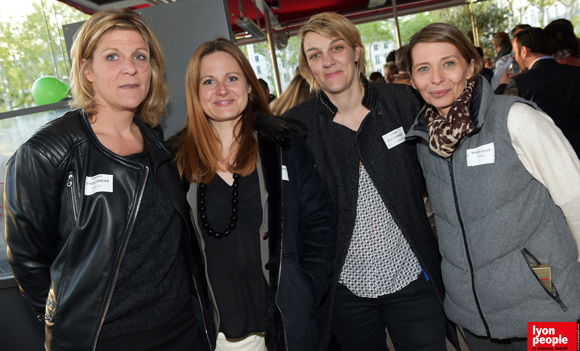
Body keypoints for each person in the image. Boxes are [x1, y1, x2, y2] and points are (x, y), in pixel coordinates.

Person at [4, 8, 215, 351]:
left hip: (181, 329)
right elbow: (28, 261)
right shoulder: (46, 153)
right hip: (105, 341)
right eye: (112, 56)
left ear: (152, 68)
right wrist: (68, 324)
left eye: (139, 56)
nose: (130, 67)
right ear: (87, 70)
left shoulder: (155, 140)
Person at [283, 12, 459, 351]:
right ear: (308, 67)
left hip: (411, 277)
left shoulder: (402, 102)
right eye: (315, 55)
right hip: (346, 289)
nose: (328, 61)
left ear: (357, 51)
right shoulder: (297, 127)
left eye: (336, 48)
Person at [405, 22, 580, 351]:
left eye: (449, 63)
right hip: (474, 318)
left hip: (545, 307)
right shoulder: (423, 141)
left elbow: (575, 197)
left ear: (470, 66)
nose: (437, 78)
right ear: (412, 80)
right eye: (423, 68)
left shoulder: (515, 119)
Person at [168, 38, 336, 351]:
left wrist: (305, 290)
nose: (222, 90)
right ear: (195, 92)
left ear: (248, 85)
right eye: (209, 81)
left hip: (286, 324)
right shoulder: (174, 163)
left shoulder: (284, 146)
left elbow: (319, 222)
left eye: (231, 78)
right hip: (213, 335)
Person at [502, 27, 580, 155]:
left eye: (514, 53)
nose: (515, 58)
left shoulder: (521, 83)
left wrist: (502, 86)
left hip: (545, 158)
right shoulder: (576, 73)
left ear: (524, 51)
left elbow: (504, 120)